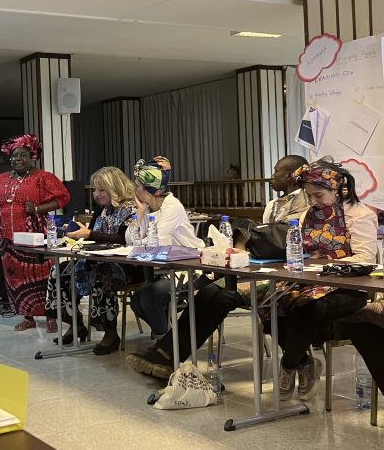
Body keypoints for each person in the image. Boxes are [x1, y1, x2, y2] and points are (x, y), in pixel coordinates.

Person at [126, 154, 310, 379]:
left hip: (289, 276)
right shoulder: (273, 205)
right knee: (211, 292)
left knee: (264, 300)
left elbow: (288, 243)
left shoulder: (307, 207)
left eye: (276, 172)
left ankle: (300, 361)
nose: (271, 176)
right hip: (260, 270)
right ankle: (167, 355)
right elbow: (264, 239)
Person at [275, 158, 377, 401]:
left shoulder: (360, 215)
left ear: (339, 190)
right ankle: (304, 363)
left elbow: (365, 259)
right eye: (309, 197)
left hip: (350, 288)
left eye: (318, 196)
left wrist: (325, 266)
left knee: (309, 306)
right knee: (273, 304)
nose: (313, 202)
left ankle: (288, 366)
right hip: (310, 282)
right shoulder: (306, 216)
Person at [0, 134, 70, 332]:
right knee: (15, 278)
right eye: (13, 156)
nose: (17, 159)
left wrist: (38, 208)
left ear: (32, 156)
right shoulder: (0, 179)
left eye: (22, 155)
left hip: (35, 235)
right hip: (6, 237)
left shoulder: (43, 177)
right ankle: (27, 316)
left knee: (42, 276)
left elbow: (62, 199)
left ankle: (50, 316)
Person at [44, 166, 136, 355]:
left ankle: (110, 333)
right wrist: (78, 235)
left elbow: (124, 239)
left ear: (114, 188)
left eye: (101, 190)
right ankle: (75, 323)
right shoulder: (102, 209)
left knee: (102, 277)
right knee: (58, 272)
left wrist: (90, 233)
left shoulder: (132, 209)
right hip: (97, 259)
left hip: (127, 265)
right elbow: (93, 234)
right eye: (95, 190)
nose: (96, 194)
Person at [127, 157, 205, 339]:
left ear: (150, 190)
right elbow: (130, 240)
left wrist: (140, 239)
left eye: (138, 186)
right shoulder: (147, 208)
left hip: (192, 267)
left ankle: (166, 342)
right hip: (167, 268)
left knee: (150, 296)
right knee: (137, 301)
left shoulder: (172, 206)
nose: (134, 190)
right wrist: (139, 213)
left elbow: (155, 243)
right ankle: (167, 337)